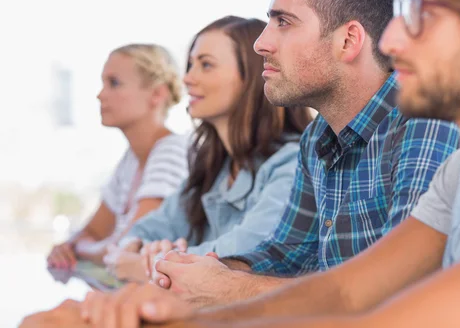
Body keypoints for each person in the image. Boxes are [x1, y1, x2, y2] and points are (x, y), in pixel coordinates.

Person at [27, 0, 460, 327]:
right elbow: (346, 289)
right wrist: (178, 309)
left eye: (422, 16)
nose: (394, 40)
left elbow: (404, 313)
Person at [102, 16, 313, 283]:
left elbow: (247, 254)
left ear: (252, 76)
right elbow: (145, 229)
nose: (187, 78)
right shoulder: (213, 169)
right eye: (190, 65)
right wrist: (135, 250)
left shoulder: (292, 164)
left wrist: (149, 264)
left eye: (206, 65)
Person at [46, 44, 189, 269]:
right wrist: (75, 246)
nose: (100, 95)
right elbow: (92, 231)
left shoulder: (172, 152)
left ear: (157, 94)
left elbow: (123, 247)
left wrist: (77, 248)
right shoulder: (132, 159)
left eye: (114, 83)